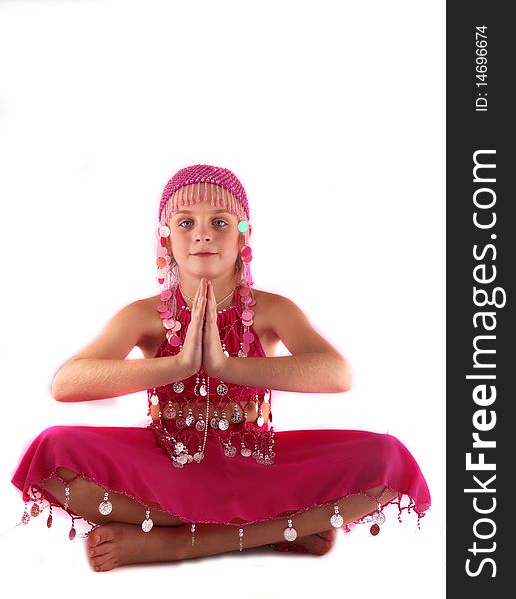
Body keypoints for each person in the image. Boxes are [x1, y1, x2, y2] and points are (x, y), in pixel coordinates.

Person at [11, 164, 431, 572]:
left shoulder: (272, 309)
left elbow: (338, 373)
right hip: (168, 463)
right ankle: (276, 530)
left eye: (219, 222)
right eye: (186, 223)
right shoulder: (143, 315)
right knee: (52, 453)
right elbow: (67, 383)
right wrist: (178, 365)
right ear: (165, 238)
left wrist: (228, 366)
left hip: (255, 464)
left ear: (245, 233)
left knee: (388, 461)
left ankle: (178, 543)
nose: (203, 235)